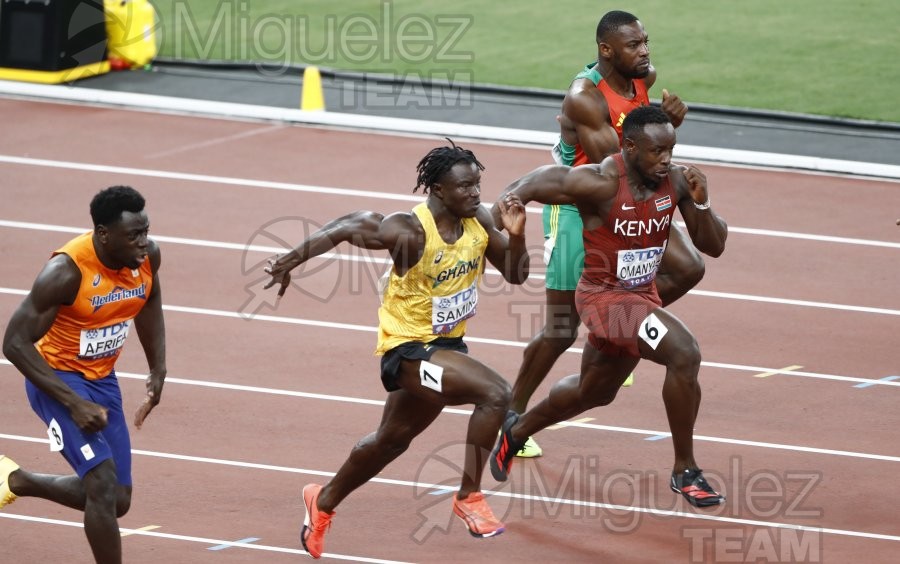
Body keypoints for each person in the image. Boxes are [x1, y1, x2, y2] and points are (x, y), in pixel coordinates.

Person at [263, 142, 529, 558]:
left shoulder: (477, 221)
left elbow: (516, 274)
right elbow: (348, 224)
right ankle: (469, 496)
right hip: (407, 351)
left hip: (447, 347)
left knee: (390, 441)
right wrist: (289, 261)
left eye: (478, 184)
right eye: (465, 186)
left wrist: (516, 235)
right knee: (495, 393)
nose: (476, 193)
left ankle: (322, 500)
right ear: (438, 190)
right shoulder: (409, 231)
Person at [490, 106, 728, 508]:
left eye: (671, 149)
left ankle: (516, 432)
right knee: (684, 352)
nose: (666, 159)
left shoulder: (676, 181)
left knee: (594, 392)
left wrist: (702, 204)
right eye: (657, 151)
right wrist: (488, 225)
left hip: (641, 296)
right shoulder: (600, 182)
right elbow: (531, 183)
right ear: (630, 147)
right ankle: (685, 471)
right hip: (602, 299)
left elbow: (714, 246)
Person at [509, 10, 701, 459]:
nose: (645, 52)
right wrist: (667, 124)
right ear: (606, 50)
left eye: (646, 41)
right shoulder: (584, 97)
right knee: (561, 329)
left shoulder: (642, 78)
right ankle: (511, 414)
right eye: (634, 45)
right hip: (580, 206)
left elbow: (643, 157)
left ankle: (621, 330)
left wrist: (662, 124)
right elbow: (615, 166)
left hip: (629, 200)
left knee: (689, 266)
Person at [1, 186, 167, 563]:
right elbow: (14, 343)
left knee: (118, 499)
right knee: (102, 484)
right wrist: (74, 403)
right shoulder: (65, 272)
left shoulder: (146, 258)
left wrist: (158, 367)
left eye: (146, 231)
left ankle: (17, 480)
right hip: (57, 379)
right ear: (104, 235)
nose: (144, 242)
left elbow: (150, 299)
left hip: (102, 378)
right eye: (134, 235)